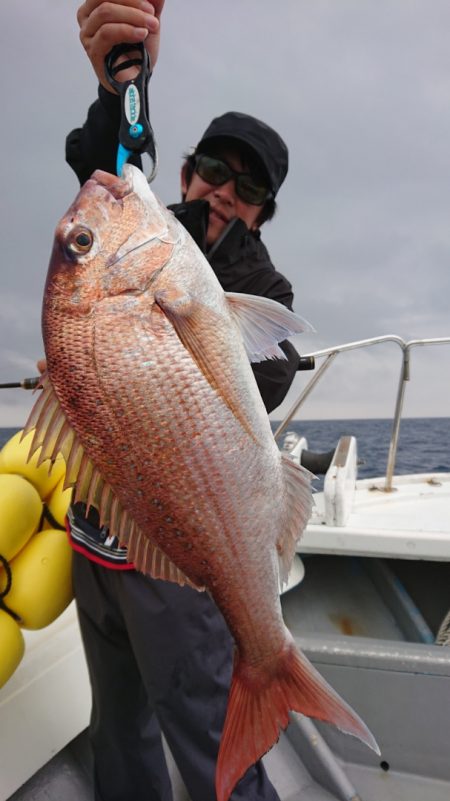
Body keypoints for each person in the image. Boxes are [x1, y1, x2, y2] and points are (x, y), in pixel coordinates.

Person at [64, 2, 303, 799]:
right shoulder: (141, 231)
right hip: (93, 548)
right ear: (183, 171)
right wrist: (122, 83)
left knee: (209, 744)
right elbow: (107, 164)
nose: (224, 192)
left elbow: (273, 371)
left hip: (177, 562)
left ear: (266, 210)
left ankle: (269, 685)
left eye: (250, 186)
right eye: (212, 170)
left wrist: (181, 296)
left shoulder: (263, 289)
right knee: (118, 731)